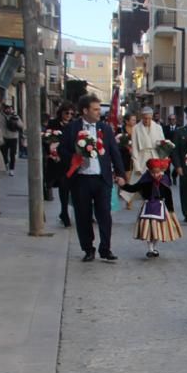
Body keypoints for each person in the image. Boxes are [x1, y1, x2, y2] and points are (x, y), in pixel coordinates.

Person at [59, 94, 127, 262]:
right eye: (95, 109)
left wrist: (121, 174)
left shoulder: (105, 128)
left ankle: (106, 248)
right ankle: (88, 248)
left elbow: (114, 152)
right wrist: (75, 157)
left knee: (104, 214)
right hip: (81, 179)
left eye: (99, 109)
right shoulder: (72, 129)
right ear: (85, 110)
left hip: (101, 179)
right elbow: (62, 150)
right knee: (83, 215)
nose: (99, 112)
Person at [117, 157, 183, 258]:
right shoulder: (145, 179)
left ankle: (155, 247)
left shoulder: (165, 179)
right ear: (149, 171)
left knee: (159, 229)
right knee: (149, 230)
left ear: (161, 170)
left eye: (157, 172)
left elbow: (169, 195)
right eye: (153, 173)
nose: (155, 175)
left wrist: (171, 210)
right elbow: (134, 188)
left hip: (160, 207)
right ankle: (150, 248)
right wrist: (123, 185)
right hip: (148, 206)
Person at [44, 103, 77, 226]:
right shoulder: (53, 123)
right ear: (61, 113)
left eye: (71, 113)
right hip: (58, 160)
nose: (68, 115)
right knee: (63, 186)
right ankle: (64, 212)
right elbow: (47, 139)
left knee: (72, 187)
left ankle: (70, 212)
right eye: (66, 113)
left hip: (71, 160)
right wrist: (51, 152)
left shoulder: (74, 124)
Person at [130, 107, 165, 209]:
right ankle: (145, 210)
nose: (147, 121)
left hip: (156, 158)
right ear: (141, 117)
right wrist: (137, 166)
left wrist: (163, 161)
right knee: (143, 188)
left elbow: (163, 145)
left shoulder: (158, 128)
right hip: (142, 159)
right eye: (145, 118)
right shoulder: (136, 128)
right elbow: (135, 148)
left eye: (149, 118)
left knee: (157, 186)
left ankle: (155, 209)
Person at [117, 112, 138, 209]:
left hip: (135, 157)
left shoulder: (137, 130)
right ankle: (124, 194)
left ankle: (129, 201)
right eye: (132, 119)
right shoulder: (120, 130)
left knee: (132, 179)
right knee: (126, 177)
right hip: (124, 157)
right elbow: (117, 143)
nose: (134, 121)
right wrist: (127, 147)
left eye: (135, 120)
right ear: (127, 121)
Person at [0, 101, 22, 177]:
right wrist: (0, 104)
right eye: (7, 108)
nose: (8, 110)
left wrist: (15, 117)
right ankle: (6, 163)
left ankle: (11, 169)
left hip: (13, 138)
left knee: (12, 154)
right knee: (3, 153)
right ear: (4, 109)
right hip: (4, 137)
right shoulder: (0, 115)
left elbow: (21, 125)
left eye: (10, 108)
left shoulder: (15, 116)